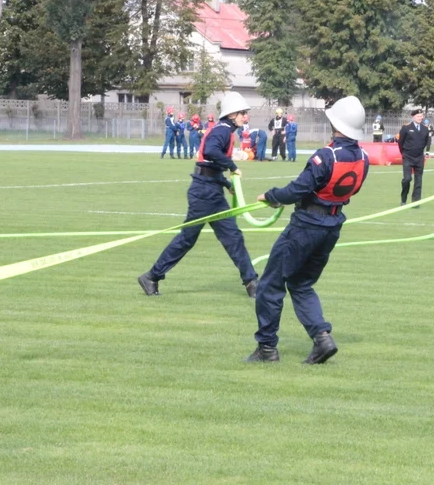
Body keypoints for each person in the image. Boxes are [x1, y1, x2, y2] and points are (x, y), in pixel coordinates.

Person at [247, 96, 369, 364]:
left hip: (306, 225)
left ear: (335, 124)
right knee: (301, 284)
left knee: (270, 285)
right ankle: (322, 338)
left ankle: (267, 348)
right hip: (332, 227)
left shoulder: (326, 155)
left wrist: (271, 195)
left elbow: (298, 189)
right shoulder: (364, 157)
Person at [138, 92, 259, 298]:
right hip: (204, 193)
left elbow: (209, 165)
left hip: (212, 189)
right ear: (232, 115)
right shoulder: (222, 131)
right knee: (187, 239)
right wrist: (232, 166)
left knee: (233, 237)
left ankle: (252, 282)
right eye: (242, 113)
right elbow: (211, 152)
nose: (245, 117)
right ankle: (152, 276)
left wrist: (225, 183)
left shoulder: (225, 131)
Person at [397, 109, 430, 206]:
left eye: (421, 116)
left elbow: (425, 142)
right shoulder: (406, 127)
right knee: (407, 179)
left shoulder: (425, 129)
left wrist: (420, 151)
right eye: (418, 116)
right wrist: (404, 153)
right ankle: (403, 199)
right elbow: (400, 142)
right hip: (407, 157)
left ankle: (416, 202)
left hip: (419, 157)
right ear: (413, 117)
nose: (420, 118)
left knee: (418, 180)